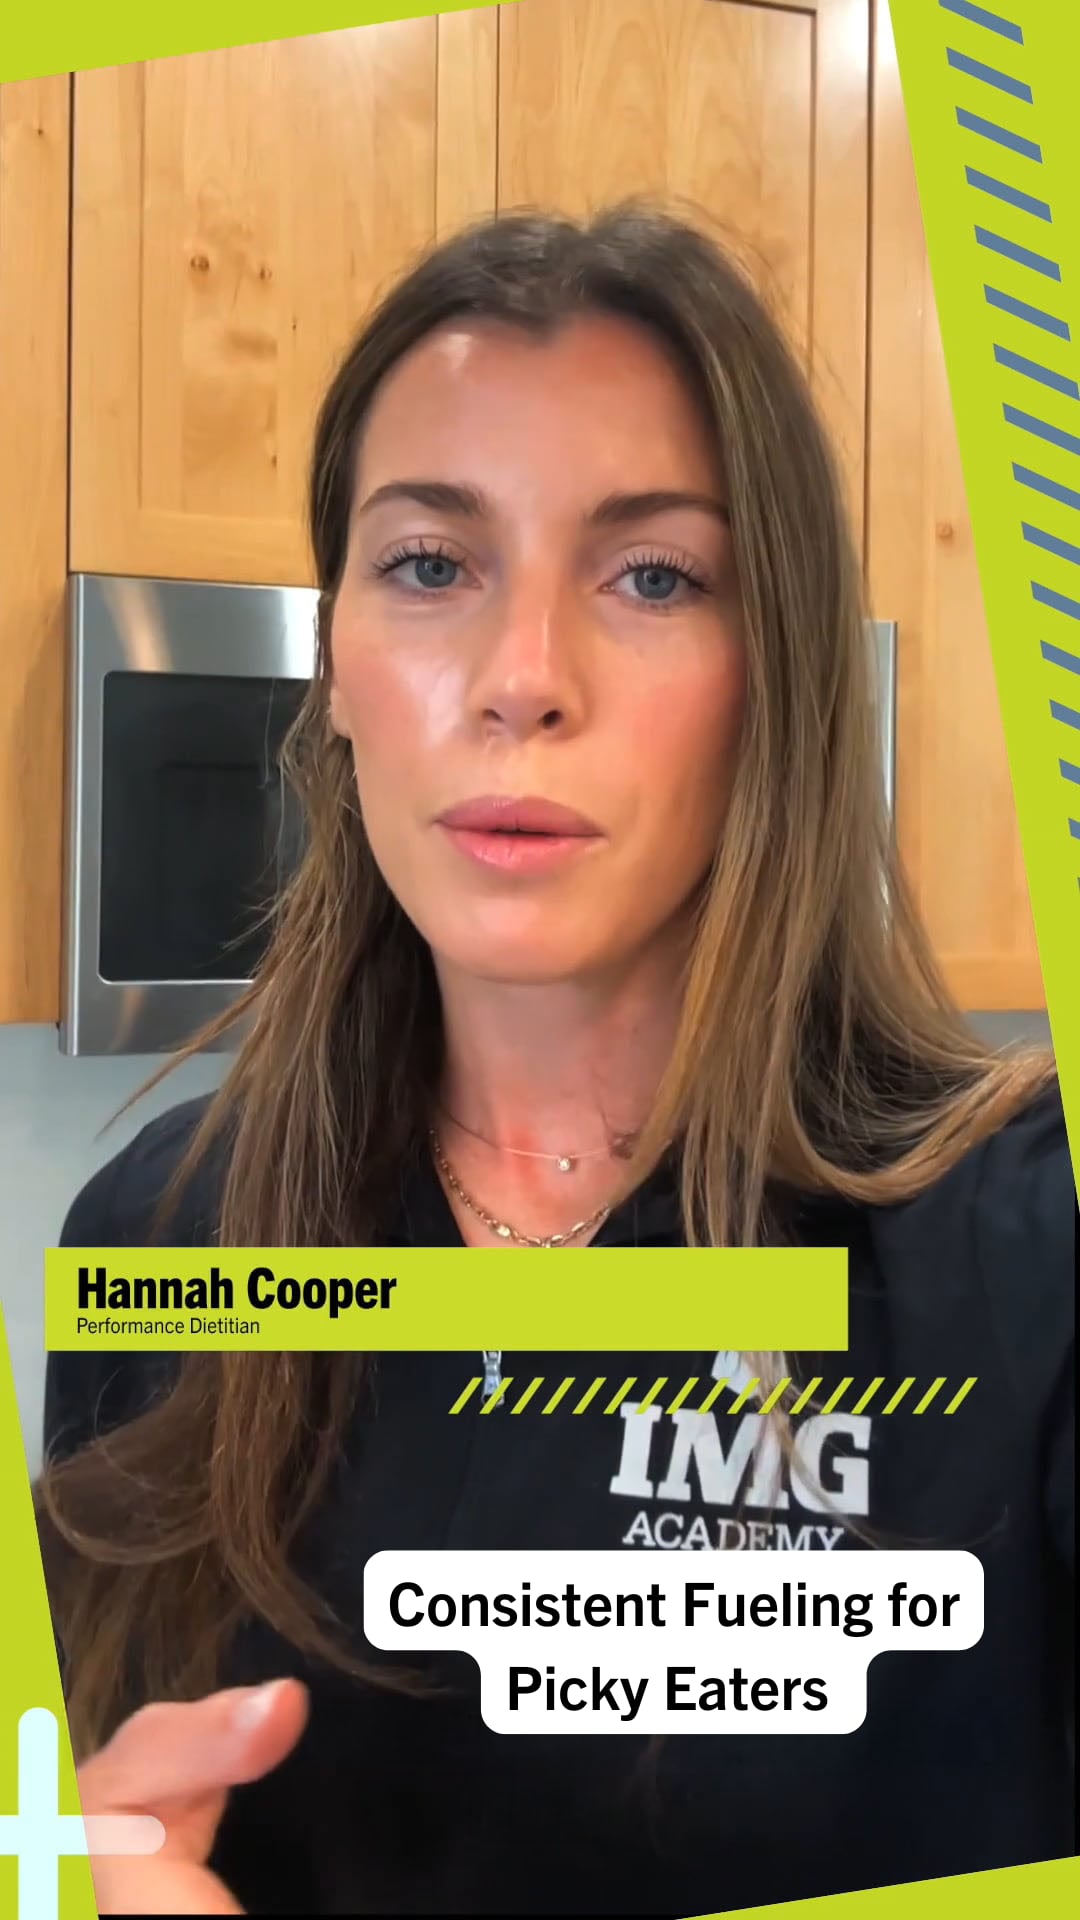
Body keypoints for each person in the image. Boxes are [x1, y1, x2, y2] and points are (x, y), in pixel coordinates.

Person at [37, 206, 1074, 1918]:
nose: (521, 680)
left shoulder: (1026, 1258)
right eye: (429, 565)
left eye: (653, 576)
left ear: (777, 673)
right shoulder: (159, 1239)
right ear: (337, 667)